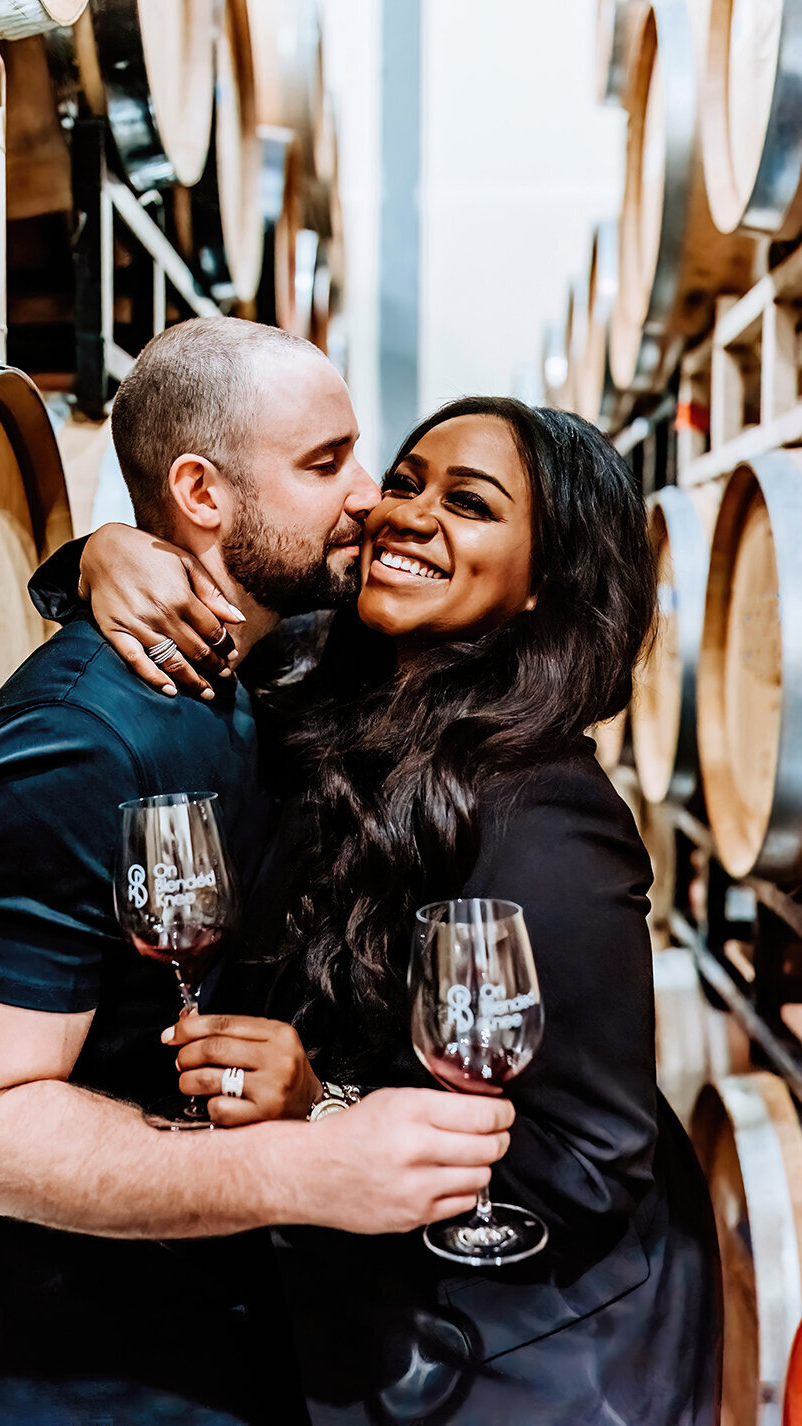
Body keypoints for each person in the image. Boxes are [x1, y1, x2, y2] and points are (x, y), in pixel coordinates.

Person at [67, 396, 723, 1425]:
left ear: (543, 582)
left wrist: (320, 1103)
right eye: (407, 481)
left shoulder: (543, 814)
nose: (407, 513)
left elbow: (593, 1163)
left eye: (469, 503)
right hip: (390, 1318)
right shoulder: (341, 690)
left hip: (534, 1359)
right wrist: (100, 554)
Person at [0, 322, 515, 1426]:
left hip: (254, 1331)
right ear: (201, 491)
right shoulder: (75, 741)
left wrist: (93, 550)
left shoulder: (255, 661)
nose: (368, 499)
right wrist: (304, 1167)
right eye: (324, 462)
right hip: (119, 1374)